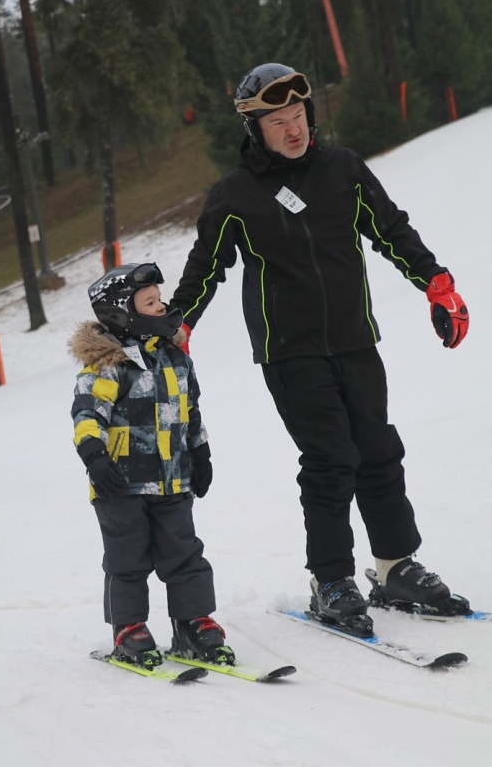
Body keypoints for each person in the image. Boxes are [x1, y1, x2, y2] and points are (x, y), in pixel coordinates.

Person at [171, 63, 470, 636]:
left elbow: (391, 230)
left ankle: (394, 566)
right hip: (290, 351)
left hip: (356, 339)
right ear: (255, 129)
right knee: (332, 458)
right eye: (279, 121)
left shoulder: (343, 170)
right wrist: (180, 323)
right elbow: (205, 267)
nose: (294, 130)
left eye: (300, 116)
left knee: (378, 449)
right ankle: (330, 581)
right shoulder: (235, 194)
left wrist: (437, 283)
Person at [69, 262, 235, 666]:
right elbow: (86, 417)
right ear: (122, 313)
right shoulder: (108, 366)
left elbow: (190, 411)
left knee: (184, 553)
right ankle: (128, 628)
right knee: (127, 558)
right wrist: (96, 460)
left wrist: (200, 452)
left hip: (173, 480)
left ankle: (192, 622)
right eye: (150, 302)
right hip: (119, 487)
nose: (161, 307)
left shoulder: (176, 358)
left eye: (160, 299)